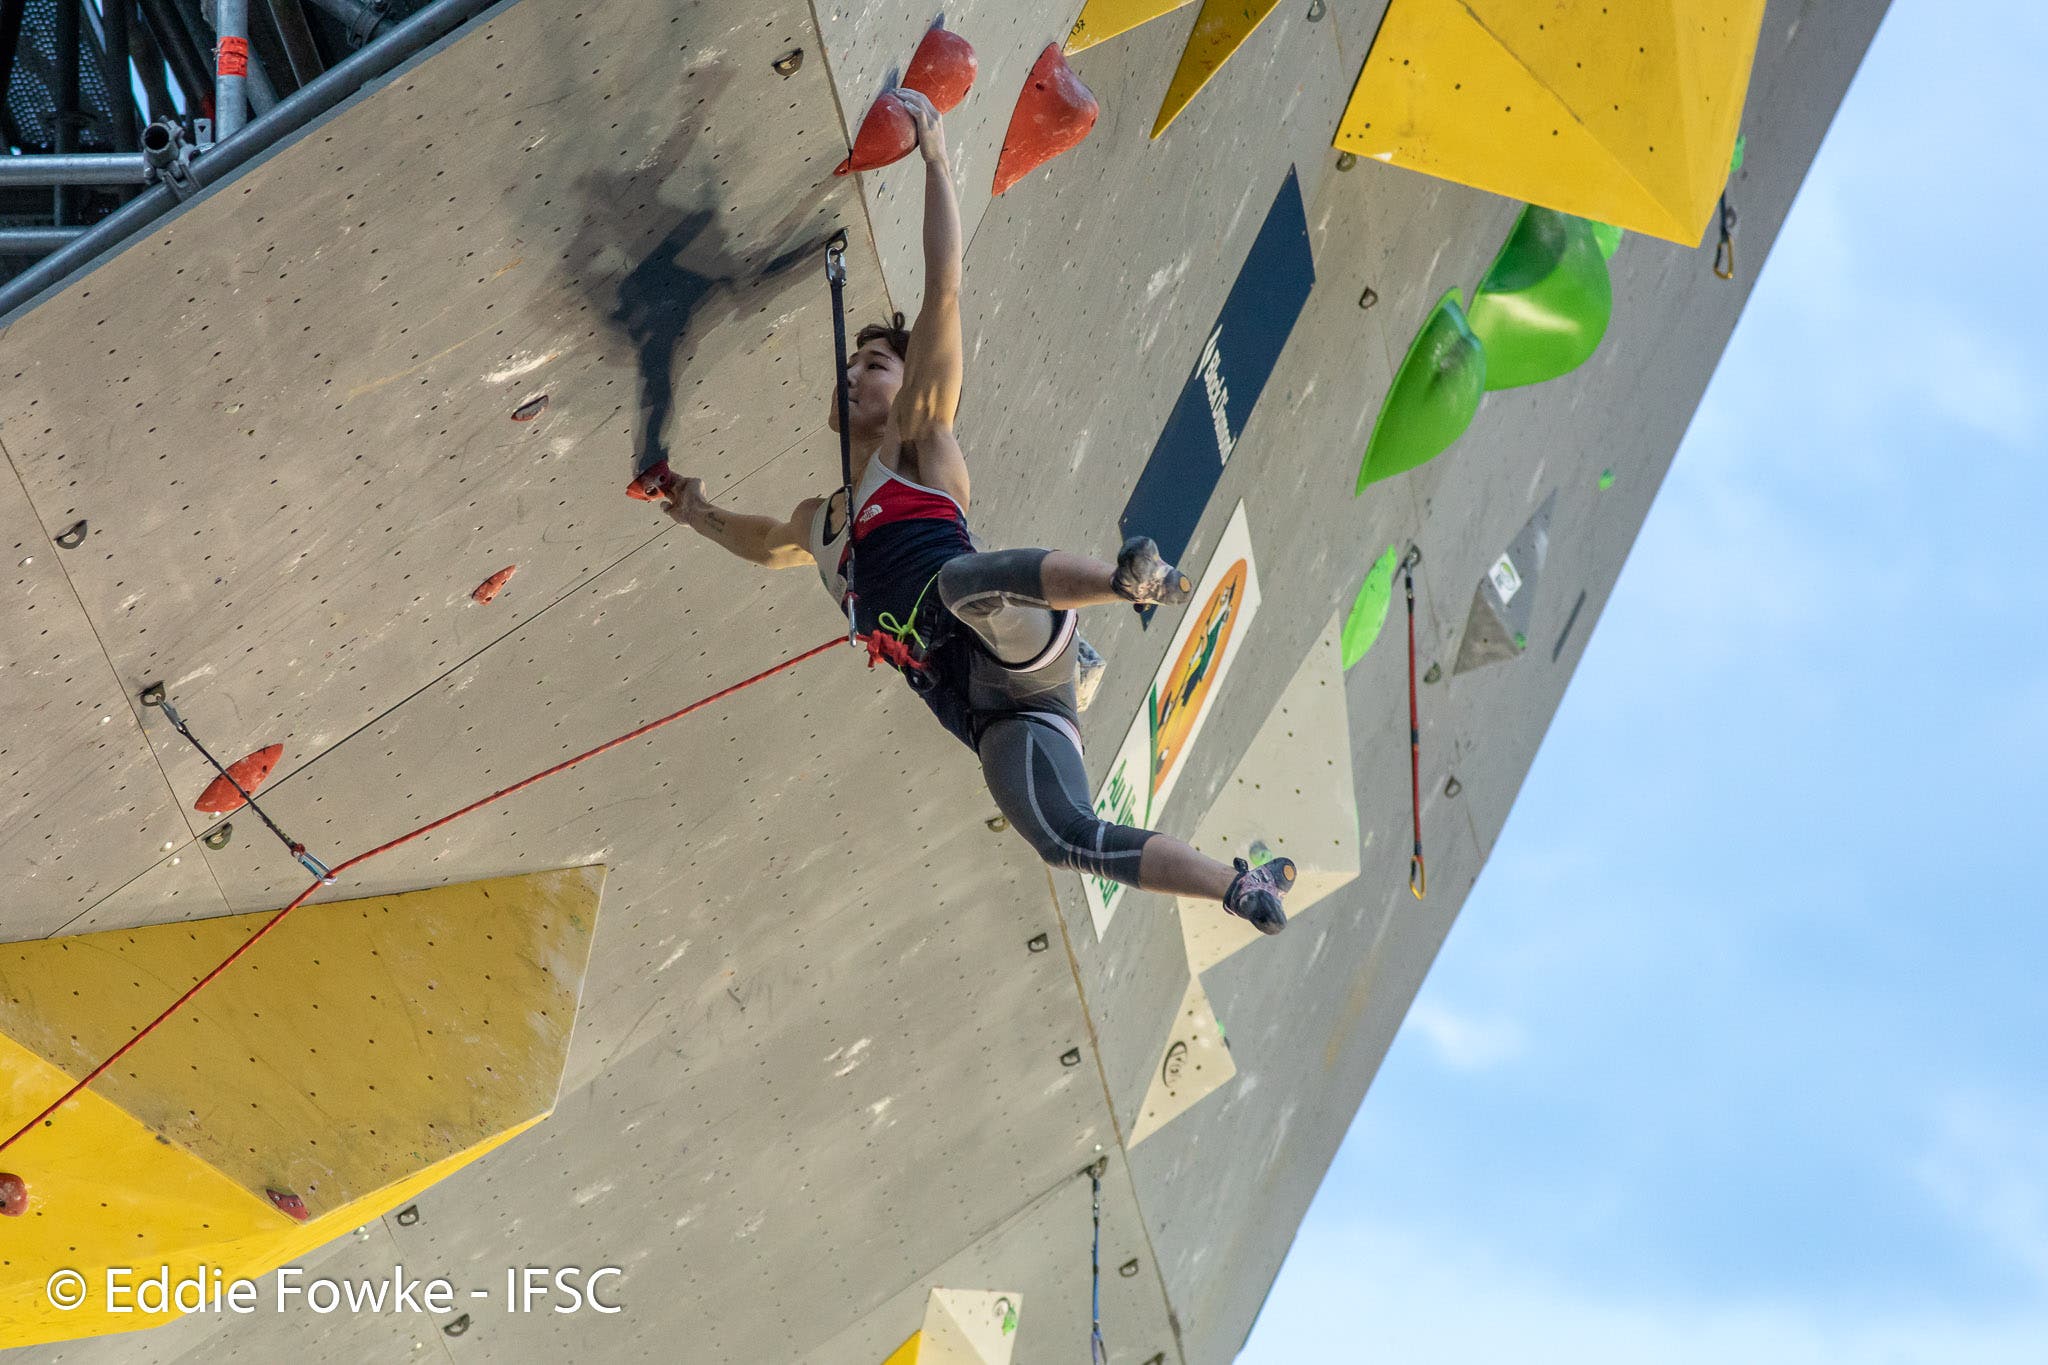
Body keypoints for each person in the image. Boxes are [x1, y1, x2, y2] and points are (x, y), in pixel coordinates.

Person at [656, 88, 1293, 934]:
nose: (855, 375)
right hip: (999, 709)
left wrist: (936, 160)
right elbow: (766, 542)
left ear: (910, 381)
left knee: (958, 585)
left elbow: (944, 289)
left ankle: (1129, 583)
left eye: (877, 364)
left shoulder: (920, 443)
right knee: (1064, 841)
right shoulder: (824, 526)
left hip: (1013, 623)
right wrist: (692, 507)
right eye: (852, 364)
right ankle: (1234, 884)